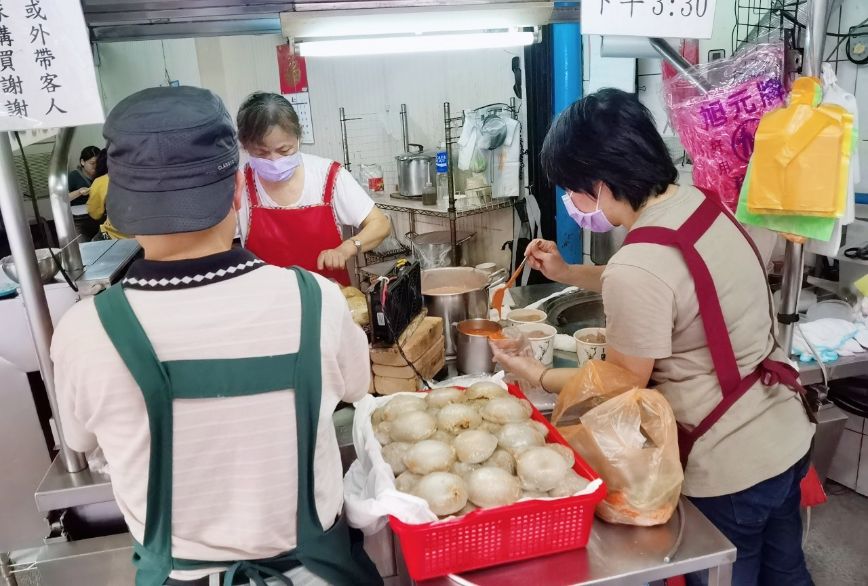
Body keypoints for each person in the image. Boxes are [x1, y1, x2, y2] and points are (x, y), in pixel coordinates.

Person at [51, 86, 382, 586]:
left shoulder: (82, 331)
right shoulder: (317, 300)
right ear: (235, 191)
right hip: (316, 574)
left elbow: (80, 443)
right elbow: (357, 389)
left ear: (120, 209)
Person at [492, 89, 815, 586]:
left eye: (571, 190)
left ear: (599, 185)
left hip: (730, 466)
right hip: (787, 433)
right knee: (788, 573)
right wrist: (568, 271)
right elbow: (675, 283)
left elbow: (620, 383)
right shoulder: (701, 207)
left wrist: (533, 374)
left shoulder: (639, 264)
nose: (570, 202)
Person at [236, 92, 390, 285]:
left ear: (298, 136)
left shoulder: (328, 176)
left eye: (285, 150)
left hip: (328, 302)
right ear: (245, 146)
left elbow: (380, 224)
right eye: (261, 153)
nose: (274, 160)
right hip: (269, 305)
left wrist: (347, 248)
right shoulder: (240, 185)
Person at [86, 148, 127, 240]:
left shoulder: (101, 181)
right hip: (147, 235)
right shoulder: (143, 177)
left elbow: (95, 214)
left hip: (116, 235)